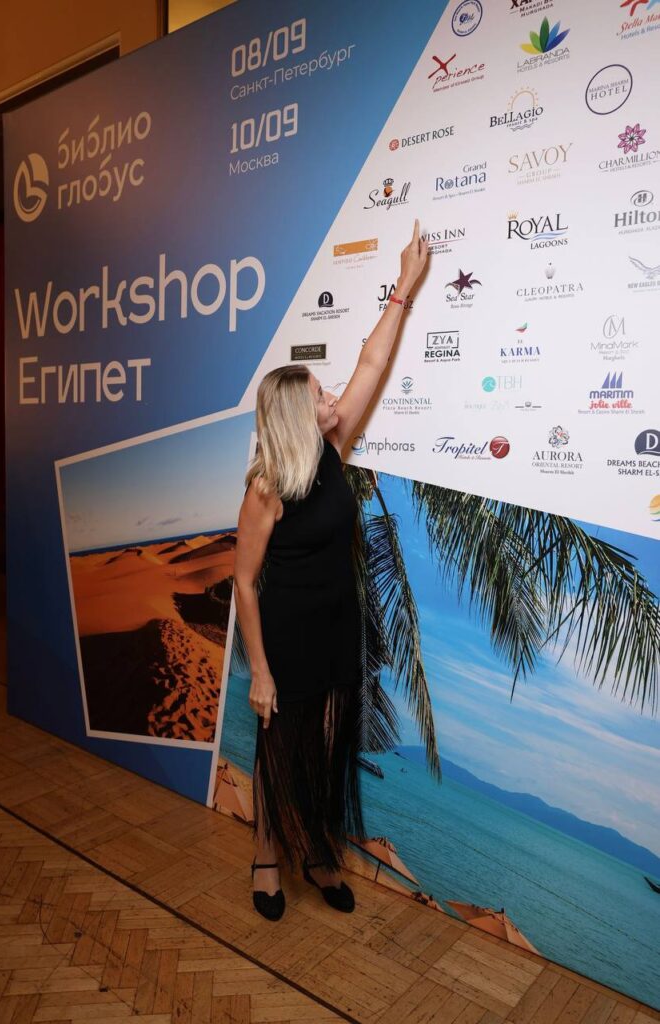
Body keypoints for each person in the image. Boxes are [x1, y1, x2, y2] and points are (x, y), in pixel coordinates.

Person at [233, 220, 429, 920]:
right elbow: (244, 582)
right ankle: (266, 856)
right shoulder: (266, 488)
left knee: (322, 750)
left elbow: (372, 363)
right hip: (286, 636)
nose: (332, 400)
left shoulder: (333, 447)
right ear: (295, 415)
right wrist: (260, 671)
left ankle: (316, 853)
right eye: (319, 396)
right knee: (278, 752)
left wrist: (404, 285)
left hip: (338, 629)